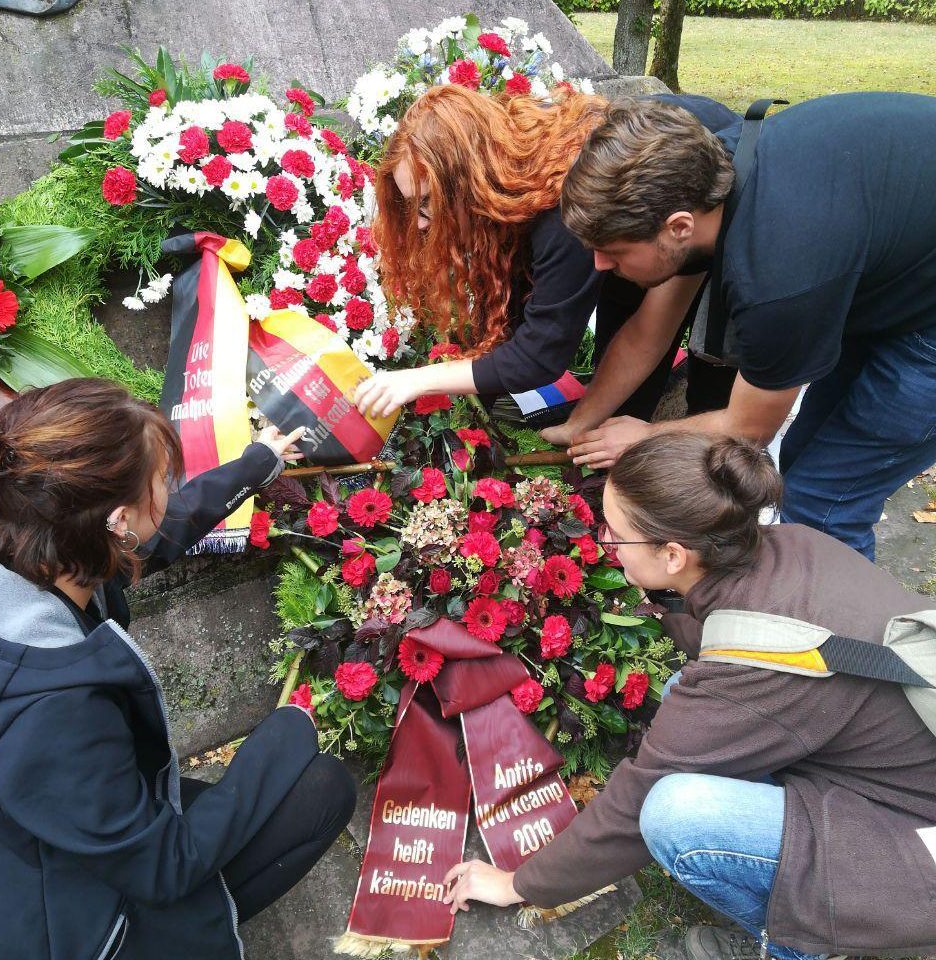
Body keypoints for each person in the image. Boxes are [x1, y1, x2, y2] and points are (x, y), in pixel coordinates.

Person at [442, 432, 936, 960]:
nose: (603, 539)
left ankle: (800, 946)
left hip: (912, 843)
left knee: (675, 814)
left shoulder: (751, 678)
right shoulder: (798, 545)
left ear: (673, 554)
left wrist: (516, 884)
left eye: (615, 535)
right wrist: (661, 616)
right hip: (897, 762)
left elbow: (630, 808)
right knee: (683, 689)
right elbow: (739, 632)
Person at [0, 379, 356, 960]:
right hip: (56, 915)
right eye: (162, 481)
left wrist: (259, 462)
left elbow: (162, 532)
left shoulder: (16, 533)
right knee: (322, 790)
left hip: (48, 813)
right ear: (120, 520)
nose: (169, 490)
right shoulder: (52, 713)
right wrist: (286, 729)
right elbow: (164, 865)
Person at [547, 93, 936, 560]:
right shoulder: (709, 176)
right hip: (898, 259)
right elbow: (646, 333)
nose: (600, 263)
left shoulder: (777, 280)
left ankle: (839, 632)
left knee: (823, 506)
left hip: (922, 328)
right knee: (806, 456)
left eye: (614, 249)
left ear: (678, 227)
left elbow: (749, 429)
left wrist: (646, 435)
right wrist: (579, 424)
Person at [353, 84, 737, 422]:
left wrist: (418, 380)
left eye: (426, 205)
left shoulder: (562, 211)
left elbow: (541, 354)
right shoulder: (512, 171)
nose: (420, 224)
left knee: (707, 364)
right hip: (646, 200)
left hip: (696, 189)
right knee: (623, 342)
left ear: (472, 186)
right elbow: (525, 319)